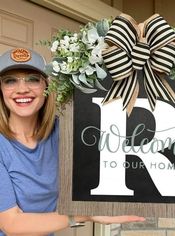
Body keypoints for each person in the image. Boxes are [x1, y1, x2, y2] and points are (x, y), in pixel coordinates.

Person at [0, 48, 145, 236]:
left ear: (47, 85)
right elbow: (12, 224)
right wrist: (83, 215)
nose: (22, 89)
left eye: (33, 79)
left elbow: (114, 143)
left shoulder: (64, 133)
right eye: (10, 80)